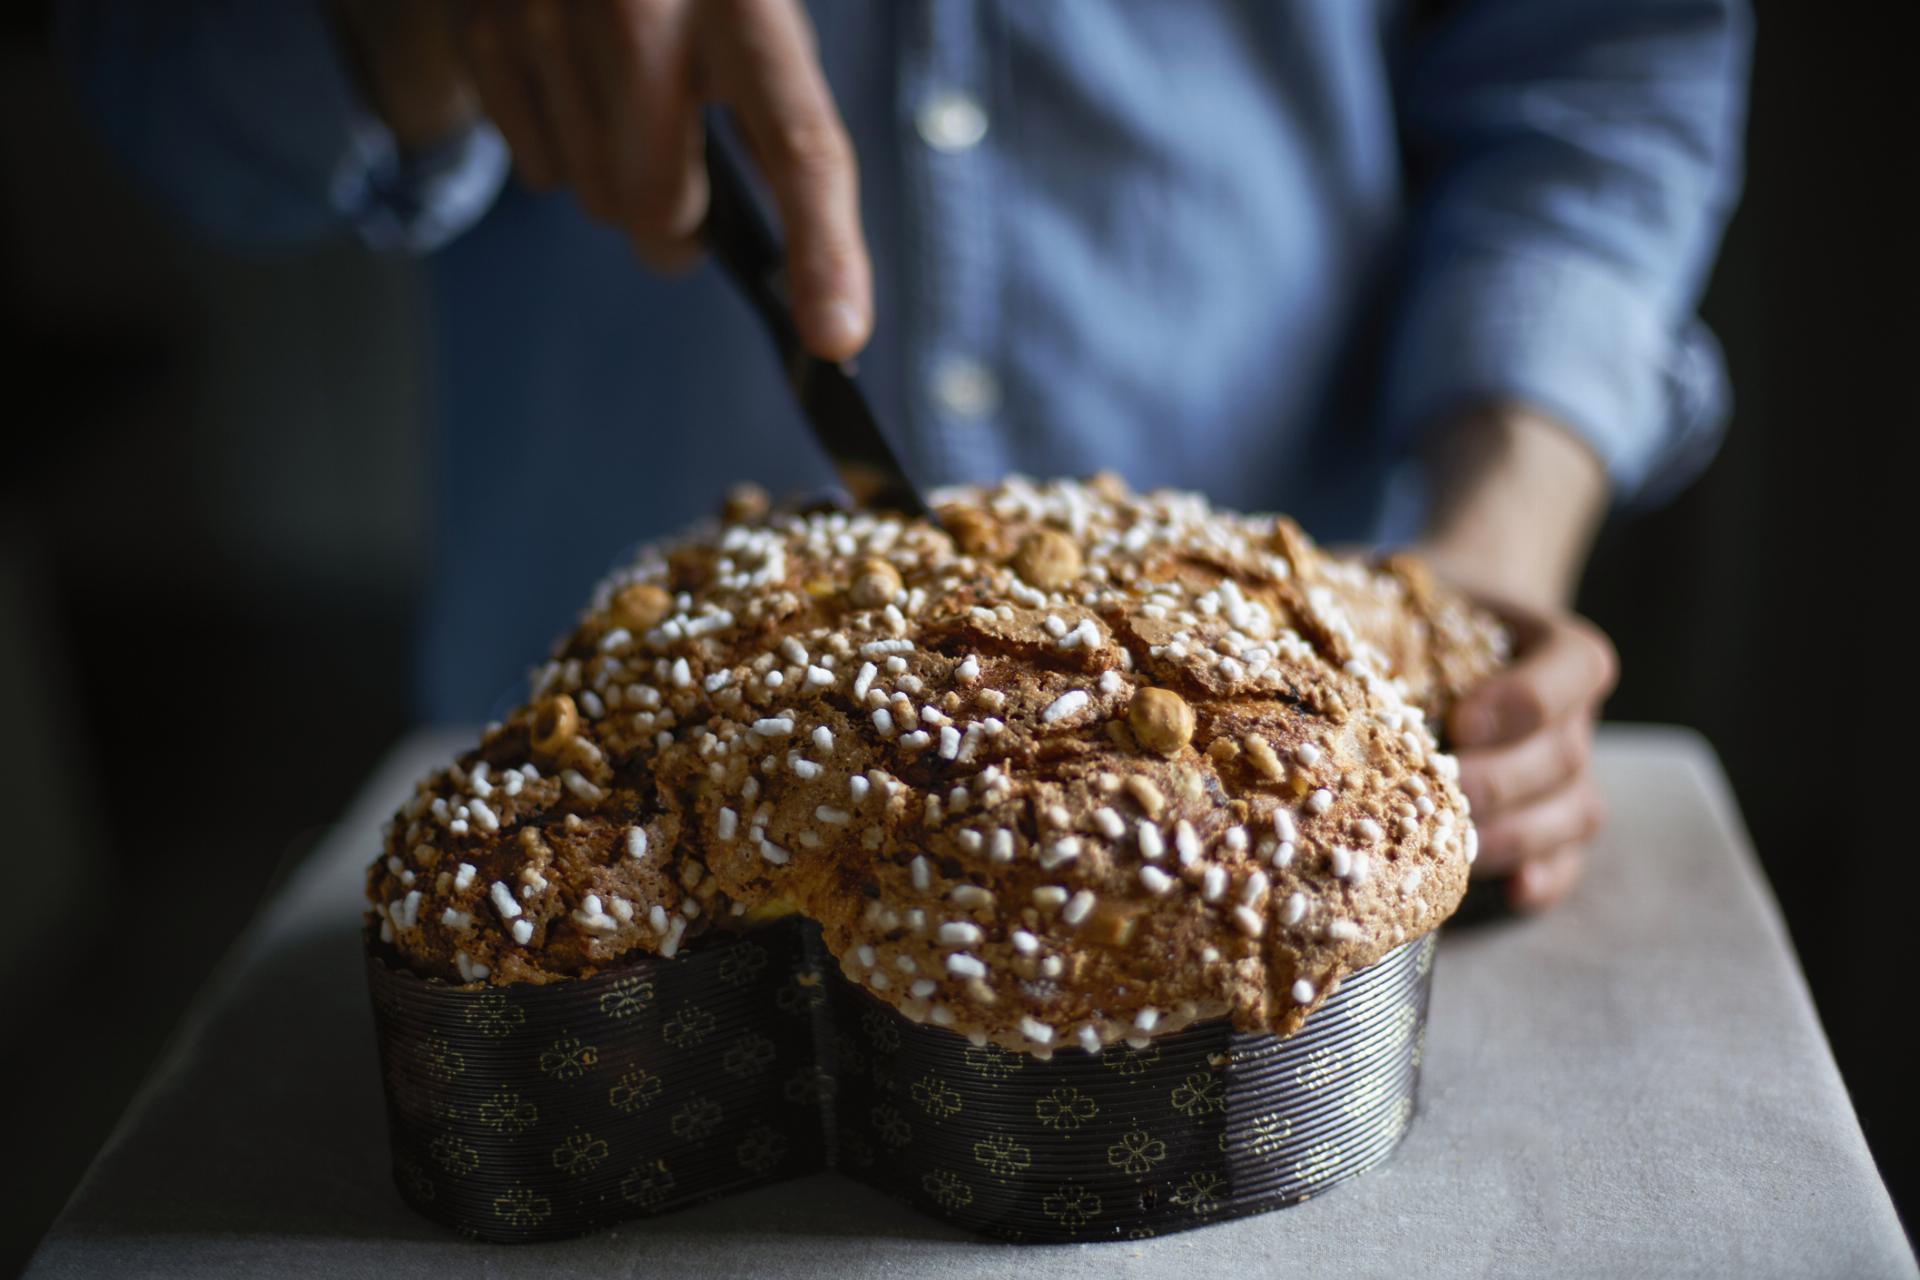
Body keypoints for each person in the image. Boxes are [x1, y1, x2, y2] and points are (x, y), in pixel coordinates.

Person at [55, 0, 1750, 911]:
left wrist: (1479, 561)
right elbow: (152, 85)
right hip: (581, 807)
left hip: (1301, 739)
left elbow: (1604, 66)